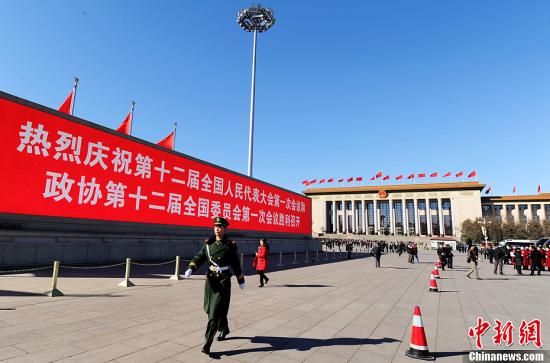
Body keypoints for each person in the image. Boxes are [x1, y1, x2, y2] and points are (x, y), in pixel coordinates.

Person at [184, 217, 245, 355]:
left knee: (214, 314)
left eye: (220, 227)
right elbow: (199, 257)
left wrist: (240, 280)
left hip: (223, 281)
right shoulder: (208, 245)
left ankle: (207, 344)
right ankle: (224, 328)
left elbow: (235, 264)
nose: (217, 229)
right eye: (215, 226)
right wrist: (191, 268)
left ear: (224, 229)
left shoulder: (229, 246)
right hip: (211, 282)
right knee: (212, 309)